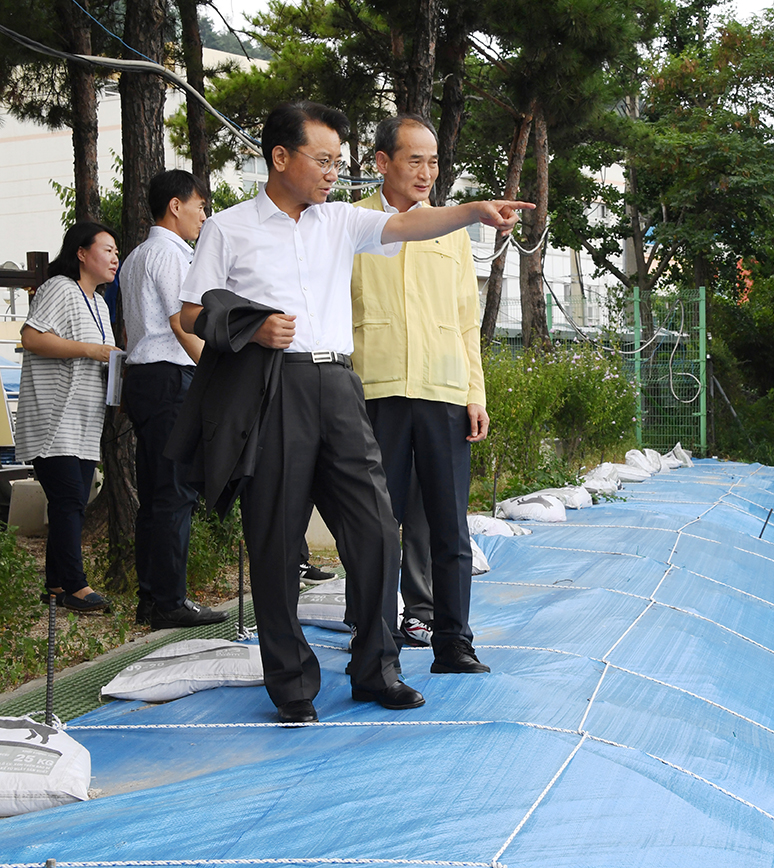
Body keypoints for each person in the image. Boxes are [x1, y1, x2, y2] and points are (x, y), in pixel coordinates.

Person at [175, 100, 530, 725]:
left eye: (340, 161)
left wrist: (474, 212)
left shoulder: (340, 221)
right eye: (323, 159)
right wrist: (254, 332)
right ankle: (291, 686)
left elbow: (411, 226)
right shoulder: (229, 228)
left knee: (375, 531)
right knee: (277, 542)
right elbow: (188, 315)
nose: (333, 172)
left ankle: (376, 669)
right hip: (272, 388)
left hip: (339, 384)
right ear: (281, 158)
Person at [351, 114, 489, 673]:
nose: (426, 172)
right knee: (376, 527)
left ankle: (453, 641)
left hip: (445, 390)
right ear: (382, 161)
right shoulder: (349, 224)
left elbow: (465, 319)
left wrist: (474, 392)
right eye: (415, 160)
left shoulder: (450, 227)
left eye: (433, 161)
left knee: (450, 526)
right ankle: (377, 646)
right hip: (374, 389)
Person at [121, 170, 228, 630]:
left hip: (144, 379)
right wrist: (217, 379)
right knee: (175, 491)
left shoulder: (135, 257)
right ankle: (169, 600)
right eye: (200, 206)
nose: (203, 216)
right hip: (169, 378)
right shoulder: (167, 254)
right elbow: (183, 325)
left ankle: (152, 598)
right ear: (175, 206)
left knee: (156, 493)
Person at [16, 223, 123, 613]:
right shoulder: (59, 288)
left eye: (116, 252)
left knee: (71, 501)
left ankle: (56, 587)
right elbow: (32, 337)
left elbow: (105, 356)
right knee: (69, 500)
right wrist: (90, 351)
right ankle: (76, 587)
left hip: (85, 422)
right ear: (81, 252)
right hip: (53, 419)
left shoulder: (99, 302)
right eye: (107, 249)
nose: (115, 258)